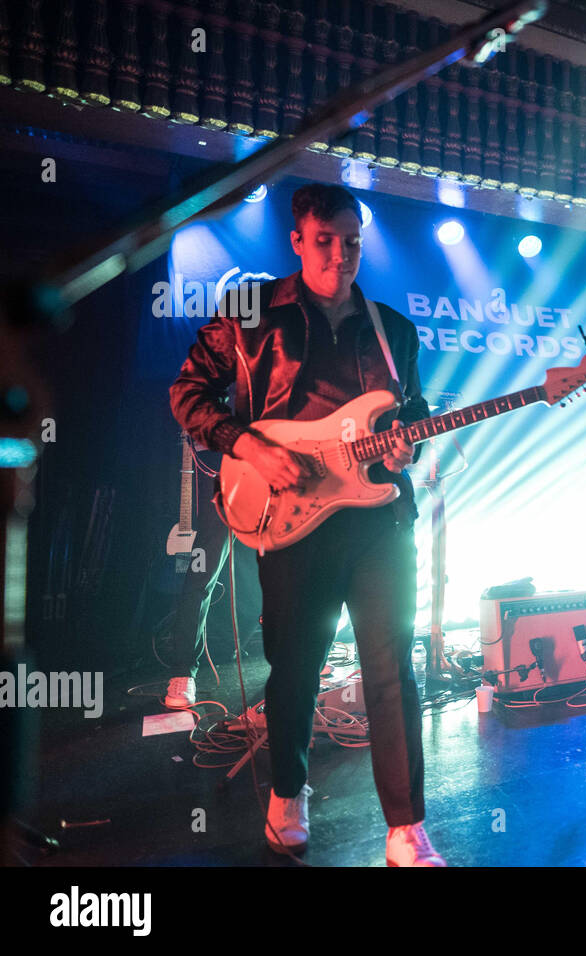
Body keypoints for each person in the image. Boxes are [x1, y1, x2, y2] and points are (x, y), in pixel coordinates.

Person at [170, 183, 442, 865]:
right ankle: (288, 792)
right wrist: (250, 445)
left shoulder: (393, 329)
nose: (340, 255)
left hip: (379, 519)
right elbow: (188, 394)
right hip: (291, 519)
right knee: (295, 667)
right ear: (297, 240)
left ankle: (406, 827)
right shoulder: (249, 313)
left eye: (351, 242)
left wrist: (412, 440)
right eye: (325, 241)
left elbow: (414, 411)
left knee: (391, 668)